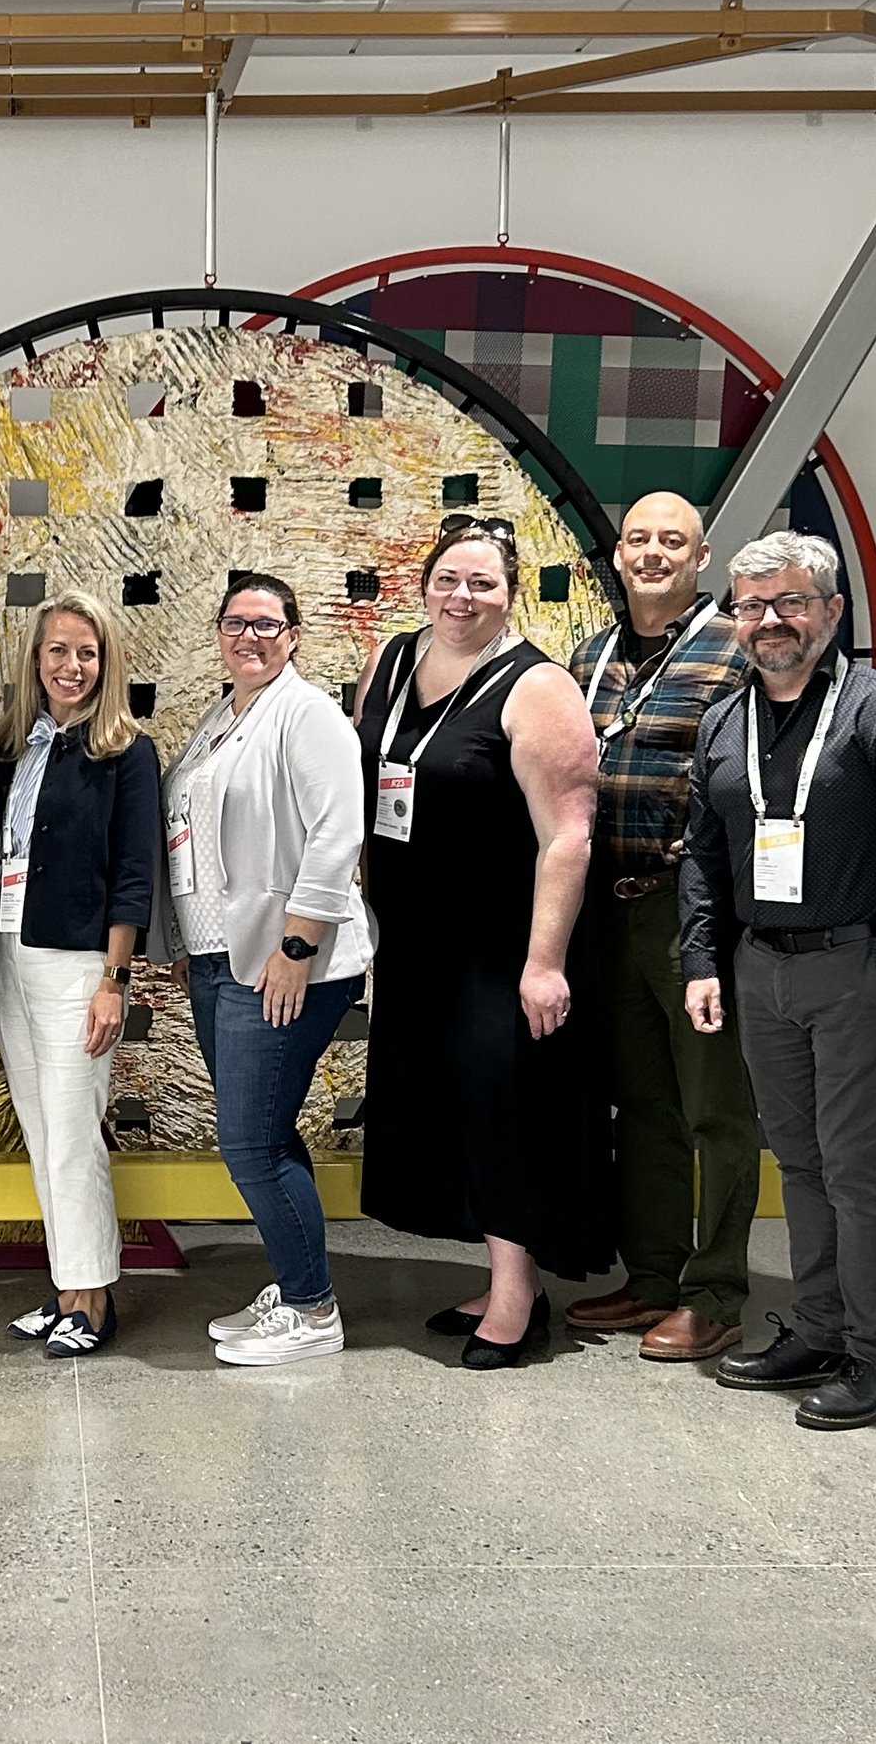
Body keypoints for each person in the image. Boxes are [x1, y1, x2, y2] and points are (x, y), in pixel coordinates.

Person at [681, 530, 876, 1432]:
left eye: (790, 602)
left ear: (831, 612)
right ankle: (820, 1327)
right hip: (760, 969)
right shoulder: (726, 720)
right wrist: (701, 959)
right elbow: (704, 856)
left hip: (853, 971)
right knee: (797, 1163)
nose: (770, 621)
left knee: (855, 1170)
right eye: (752, 605)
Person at [351, 516, 603, 1370]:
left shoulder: (539, 687)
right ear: (424, 584)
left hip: (501, 942)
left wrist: (544, 962)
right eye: (449, 580)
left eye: (483, 583)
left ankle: (515, 1295)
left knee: (503, 1110)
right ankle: (499, 1276)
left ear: (511, 592)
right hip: (416, 939)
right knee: (448, 1106)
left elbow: (569, 834)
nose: (463, 597)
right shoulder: (391, 661)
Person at [562, 492, 765, 1363]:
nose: (652, 553)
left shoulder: (737, 646)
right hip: (605, 907)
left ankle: (714, 1291)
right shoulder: (590, 655)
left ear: (702, 555)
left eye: (670, 541)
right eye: (638, 539)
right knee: (641, 1103)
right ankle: (652, 1274)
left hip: (690, 907)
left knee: (715, 1106)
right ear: (617, 555)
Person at [160, 574, 371, 1367]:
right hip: (223, 960)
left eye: (266, 623)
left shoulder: (306, 713)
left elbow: (336, 834)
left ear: (294, 634)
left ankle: (314, 1308)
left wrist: (296, 949)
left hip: (285, 962)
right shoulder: (223, 717)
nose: (249, 635)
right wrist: (193, 948)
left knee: (248, 1142)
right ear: (218, 632)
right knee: (269, 1130)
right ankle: (297, 1281)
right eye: (235, 622)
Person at [0, 593, 159, 1356]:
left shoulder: (127, 751)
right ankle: (65, 1288)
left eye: (86, 653)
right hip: (9, 953)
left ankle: (95, 1298)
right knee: (42, 1127)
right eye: (57, 651)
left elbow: (133, 873)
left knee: (75, 1131)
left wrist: (114, 977)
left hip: (78, 963)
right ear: (36, 659)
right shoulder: (11, 747)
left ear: (105, 661)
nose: (71, 666)